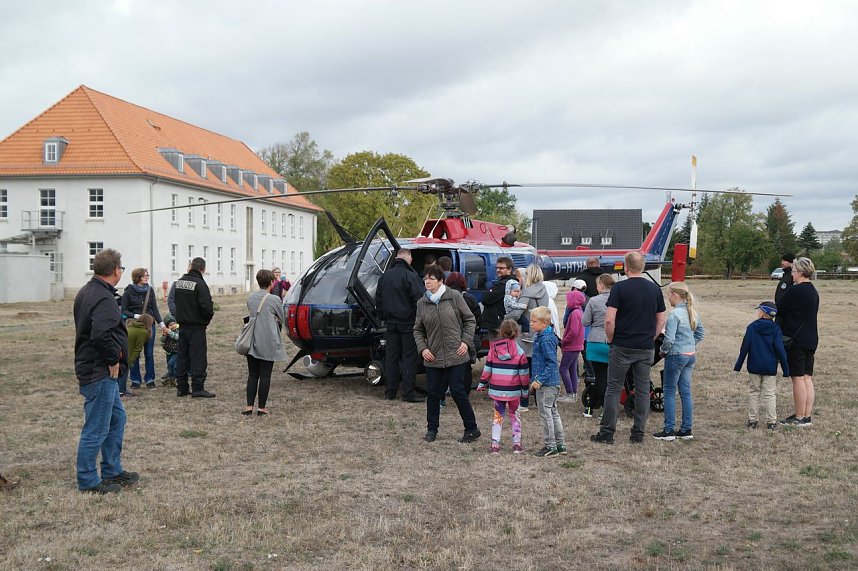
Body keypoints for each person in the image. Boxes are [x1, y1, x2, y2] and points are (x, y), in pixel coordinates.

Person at [73, 248, 139, 493]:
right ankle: (88, 480)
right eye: (121, 268)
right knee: (97, 427)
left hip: (95, 368)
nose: (121, 272)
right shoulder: (102, 298)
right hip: (99, 371)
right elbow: (101, 335)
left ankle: (112, 470)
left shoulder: (89, 291)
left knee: (116, 418)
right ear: (115, 271)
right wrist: (114, 359)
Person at [591, 251, 666, 445]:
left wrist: (611, 338)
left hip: (622, 345)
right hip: (645, 346)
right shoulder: (654, 289)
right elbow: (661, 318)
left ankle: (607, 432)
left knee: (614, 388)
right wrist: (653, 336)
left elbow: (609, 319)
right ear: (642, 267)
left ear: (625, 267)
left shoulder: (619, 288)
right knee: (642, 389)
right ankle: (638, 432)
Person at [414, 265, 479, 443]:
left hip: (456, 354)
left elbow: (470, 320)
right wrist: (423, 348)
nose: (427, 281)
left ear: (441, 280)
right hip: (433, 356)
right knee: (433, 393)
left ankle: (472, 429)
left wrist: (465, 342)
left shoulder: (454, 297)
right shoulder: (422, 303)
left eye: (431, 278)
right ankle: (431, 430)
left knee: (458, 391)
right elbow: (417, 330)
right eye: (425, 278)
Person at [653, 282, 705, 442]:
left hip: (676, 355)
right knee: (686, 392)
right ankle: (686, 429)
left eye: (668, 295)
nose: (668, 298)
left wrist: (663, 351)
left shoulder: (674, 314)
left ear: (675, 295)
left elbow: (669, 339)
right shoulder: (692, 312)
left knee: (669, 392)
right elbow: (700, 333)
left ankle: (668, 430)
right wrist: (690, 344)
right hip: (690, 355)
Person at [375, 247, 425, 403]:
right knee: (409, 358)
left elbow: (378, 300)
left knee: (391, 358)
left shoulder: (385, 277)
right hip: (408, 323)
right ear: (408, 258)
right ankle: (408, 393)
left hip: (390, 324)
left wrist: (384, 317)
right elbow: (419, 300)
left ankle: (390, 392)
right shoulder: (411, 276)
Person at [777, 257, 819, 427]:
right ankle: (806, 416)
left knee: (797, 379)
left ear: (800, 272)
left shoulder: (796, 290)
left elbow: (779, 307)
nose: (792, 274)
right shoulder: (813, 291)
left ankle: (799, 416)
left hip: (796, 341)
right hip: (810, 339)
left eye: (793, 271)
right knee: (807, 378)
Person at [734, 301, 790, 430]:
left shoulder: (752, 327)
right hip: (770, 367)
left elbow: (745, 347)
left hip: (754, 366)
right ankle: (771, 421)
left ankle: (753, 420)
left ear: (763, 313)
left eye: (759, 310)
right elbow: (780, 350)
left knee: (754, 392)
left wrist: (738, 364)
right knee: (770, 394)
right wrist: (786, 369)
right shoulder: (776, 329)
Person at [477, 319, 530, 454]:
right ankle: (517, 444)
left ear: (500, 332)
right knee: (515, 415)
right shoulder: (520, 352)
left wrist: (482, 383)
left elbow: (487, 368)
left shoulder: (493, 349)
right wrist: (525, 391)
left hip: (497, 389)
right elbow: (524, 374)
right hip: (513, 391)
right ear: (517, 333)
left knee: (498, 415)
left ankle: (495, 444)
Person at [243, 269, 287, 416]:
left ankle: (249, 406)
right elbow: (283, 318)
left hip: (252, 339)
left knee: (252, 374)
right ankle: (261, 408)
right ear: (271, 282)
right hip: (267, 340)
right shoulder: (274, 299)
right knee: (265, 375)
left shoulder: (251, 297)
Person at [174, 257, 215, 398]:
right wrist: (205, 321)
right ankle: (197, 388)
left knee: (182, 357)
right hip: (196, 327)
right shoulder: (200, 284)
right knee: (198, 358)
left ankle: (182, 387)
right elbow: (207, 307)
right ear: (203, 269)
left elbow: (174, 302)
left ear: (190, 266)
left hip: (182, 325)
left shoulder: (179, 282)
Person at [121, 268, 168, 391]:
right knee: (135, 352)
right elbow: (123, 311)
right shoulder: (128, 292)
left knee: (149, 353)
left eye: (148, 275)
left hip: (149, 325)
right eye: (144, 275)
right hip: (134, 325)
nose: (147, 277)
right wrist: (137, 316)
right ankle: (135, 380)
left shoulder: (149, 290)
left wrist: (162, 324)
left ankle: (150, 380)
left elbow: (154, 309)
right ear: (138, 277)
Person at [528, 306, 566, 457]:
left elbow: (552, 363)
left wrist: (539, 380)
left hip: (547, 384)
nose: (531, 323)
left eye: (534, 321)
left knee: (546, 414)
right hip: (550, 383)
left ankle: (550, 446)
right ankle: (560, 444)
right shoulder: (544, 336)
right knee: (553, 412)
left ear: (544, 323)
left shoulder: (546, 339)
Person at [582, 273, 615, 418]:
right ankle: (601, 406)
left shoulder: (594, 301)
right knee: (610, 377)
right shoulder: (618, 300)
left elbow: (585, 322)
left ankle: (599, 406)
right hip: (612, 341)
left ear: (601, 285)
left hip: (596, 340)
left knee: (599, 376)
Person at [445, 271, 482, 393]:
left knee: (446, 366)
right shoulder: (470, 299)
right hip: (467, 337)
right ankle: (464, 393)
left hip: (449, 337)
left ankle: (445, 392)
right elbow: (478, 320)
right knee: (466, 367)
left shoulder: (444, 298)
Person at [559, 289, 586, 402]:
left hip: (571, 346)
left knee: (563, 368)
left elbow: (573, 331)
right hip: (577, 346)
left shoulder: (574, 314)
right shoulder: (580, 312)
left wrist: (564, 341)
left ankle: (570, 393)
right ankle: (573, 393)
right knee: (572, 369)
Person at [481, 256, 516, 336]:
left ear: (509, 269)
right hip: (500, 322)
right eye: (496, 268)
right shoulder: (509, 282)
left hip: (499, 324)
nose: (497, 270)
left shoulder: (505, 284)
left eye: (501, 268)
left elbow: (486, 299)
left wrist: (489, 292)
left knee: (499, 347)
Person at [160, 313, 179, 386]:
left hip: (177, 351)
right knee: (169, 365)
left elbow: (177, 337)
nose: (173, 325)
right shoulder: (167, 332)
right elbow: (162, 340)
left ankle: (172, 378)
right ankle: (171, 379)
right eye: (170, 325)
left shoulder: (178, 330)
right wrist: (164, 335)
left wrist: (170, 333)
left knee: (172, 364)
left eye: (174, 323)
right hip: (169, 352)